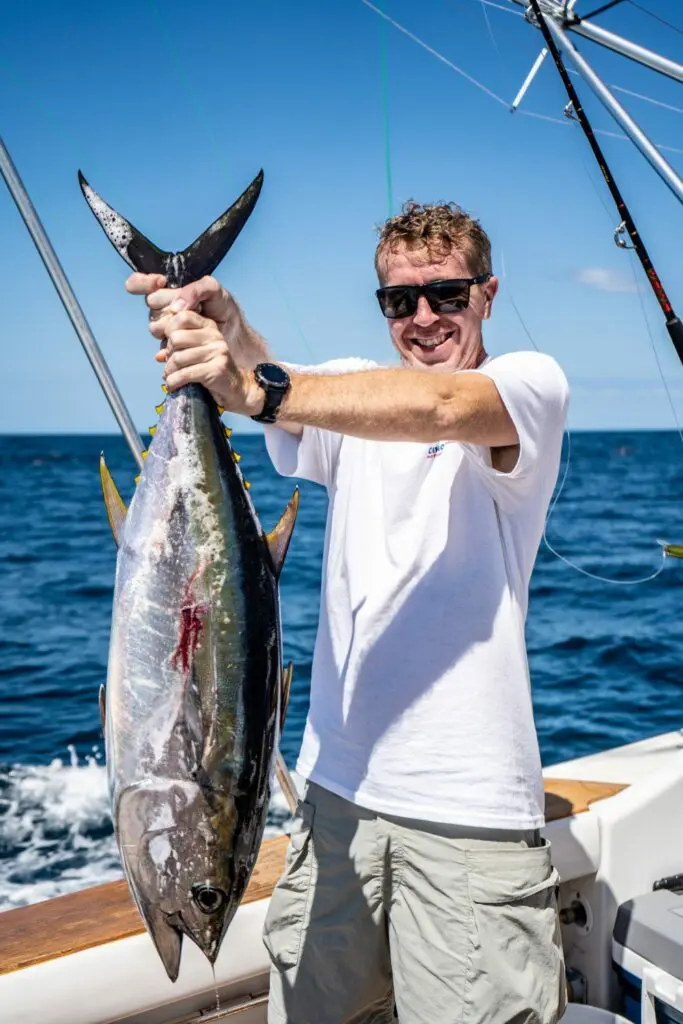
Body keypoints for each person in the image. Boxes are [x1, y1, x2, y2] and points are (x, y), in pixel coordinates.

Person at [128, 200, 569, 1024]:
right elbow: (285, 389)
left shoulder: (525, 388)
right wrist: (219, 320)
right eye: (399, 301)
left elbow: (432, 409)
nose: (425, 316)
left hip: (467, 821)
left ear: (487, 293)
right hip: (332, 805)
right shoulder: (343, 399)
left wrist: (254, 387)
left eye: (447, 293)